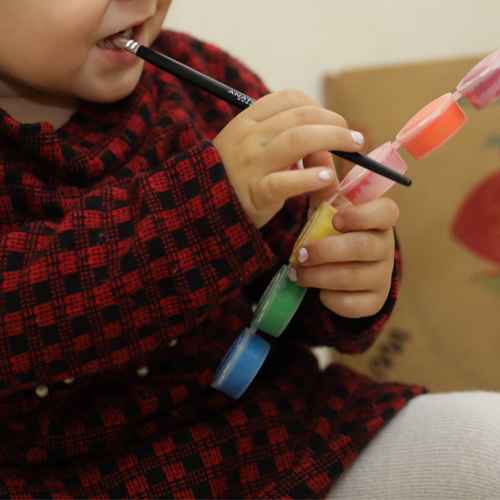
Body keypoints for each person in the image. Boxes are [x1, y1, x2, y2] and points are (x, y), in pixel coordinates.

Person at [1, 1, 499, 499]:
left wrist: (345, 272)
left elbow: (287, 294)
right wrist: (206, 204)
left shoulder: (200, 76)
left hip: (272, 432)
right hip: (68, 479)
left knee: (485, 443)